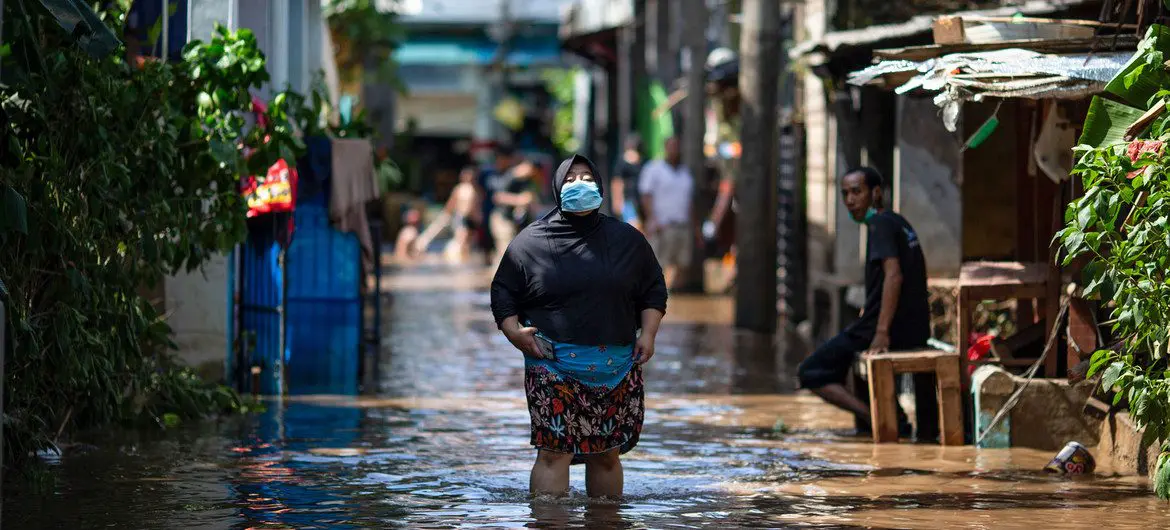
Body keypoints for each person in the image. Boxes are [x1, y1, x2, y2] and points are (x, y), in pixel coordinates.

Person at [490, 154, 667, 499]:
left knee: (605, 454)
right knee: (554, 453)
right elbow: (503, 291)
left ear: (599, 186)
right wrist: (513, 331)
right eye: (570, 179)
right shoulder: (531, 242)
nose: (579, 184)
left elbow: (653, 288)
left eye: (586, 177)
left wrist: (649, 333)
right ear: (557, 188)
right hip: (552, 364)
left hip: (615, 367)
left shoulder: (628, 240)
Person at [796, 167, 937, 440]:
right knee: (848, 355)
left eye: (857, 192)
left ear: (875, 193)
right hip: (915, 327)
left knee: (809, 371)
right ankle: (882, 420)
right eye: (845, 193)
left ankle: (879, 416)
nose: (850, 200)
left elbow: (894, 276)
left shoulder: (879, 225)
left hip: (890, 328)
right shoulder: (897, 222)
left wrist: (882, 331)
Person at [638, 137, 694, 289]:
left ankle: (672, 297)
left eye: (677, 146)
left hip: (683, 224)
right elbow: (645, 195)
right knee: (659, 262)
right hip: (662, 225)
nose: (674, 150)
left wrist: (694, 227)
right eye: (671, 146)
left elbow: (689, 201)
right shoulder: (653, 169)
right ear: (665, 148)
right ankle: (658, 297)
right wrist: (652, 219)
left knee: (683, 263)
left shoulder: (685, 172)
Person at [413, 166, 482, 262]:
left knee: (467, 242)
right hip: (460, 217)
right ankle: (460, 260)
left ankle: (465, 260)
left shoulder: (476, 190)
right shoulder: (459, 189)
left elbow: (476, 205)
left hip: (471, 218)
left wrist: (478, 218)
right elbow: (451, 203)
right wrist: (445, 214)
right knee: (461, 238)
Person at [490, 159, 537, 269]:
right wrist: (519, 200)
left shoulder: (525, 180)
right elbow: (497, 197)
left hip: (511, 221)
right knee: (505, 251)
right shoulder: (510, 177)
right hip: (501, 220)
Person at [479, 145, 520, 266]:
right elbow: (480, 192)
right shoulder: (487, 173)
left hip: (502, 216)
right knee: (487, 250)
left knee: (502, 250)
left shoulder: (511, 174)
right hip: (488, 215)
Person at [612, 134, 644, 230]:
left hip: (640, 199)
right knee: (633, 226)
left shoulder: (643, 161)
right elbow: (617, 182)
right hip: (628, 199)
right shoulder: (622, 162)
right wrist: (617, 200)